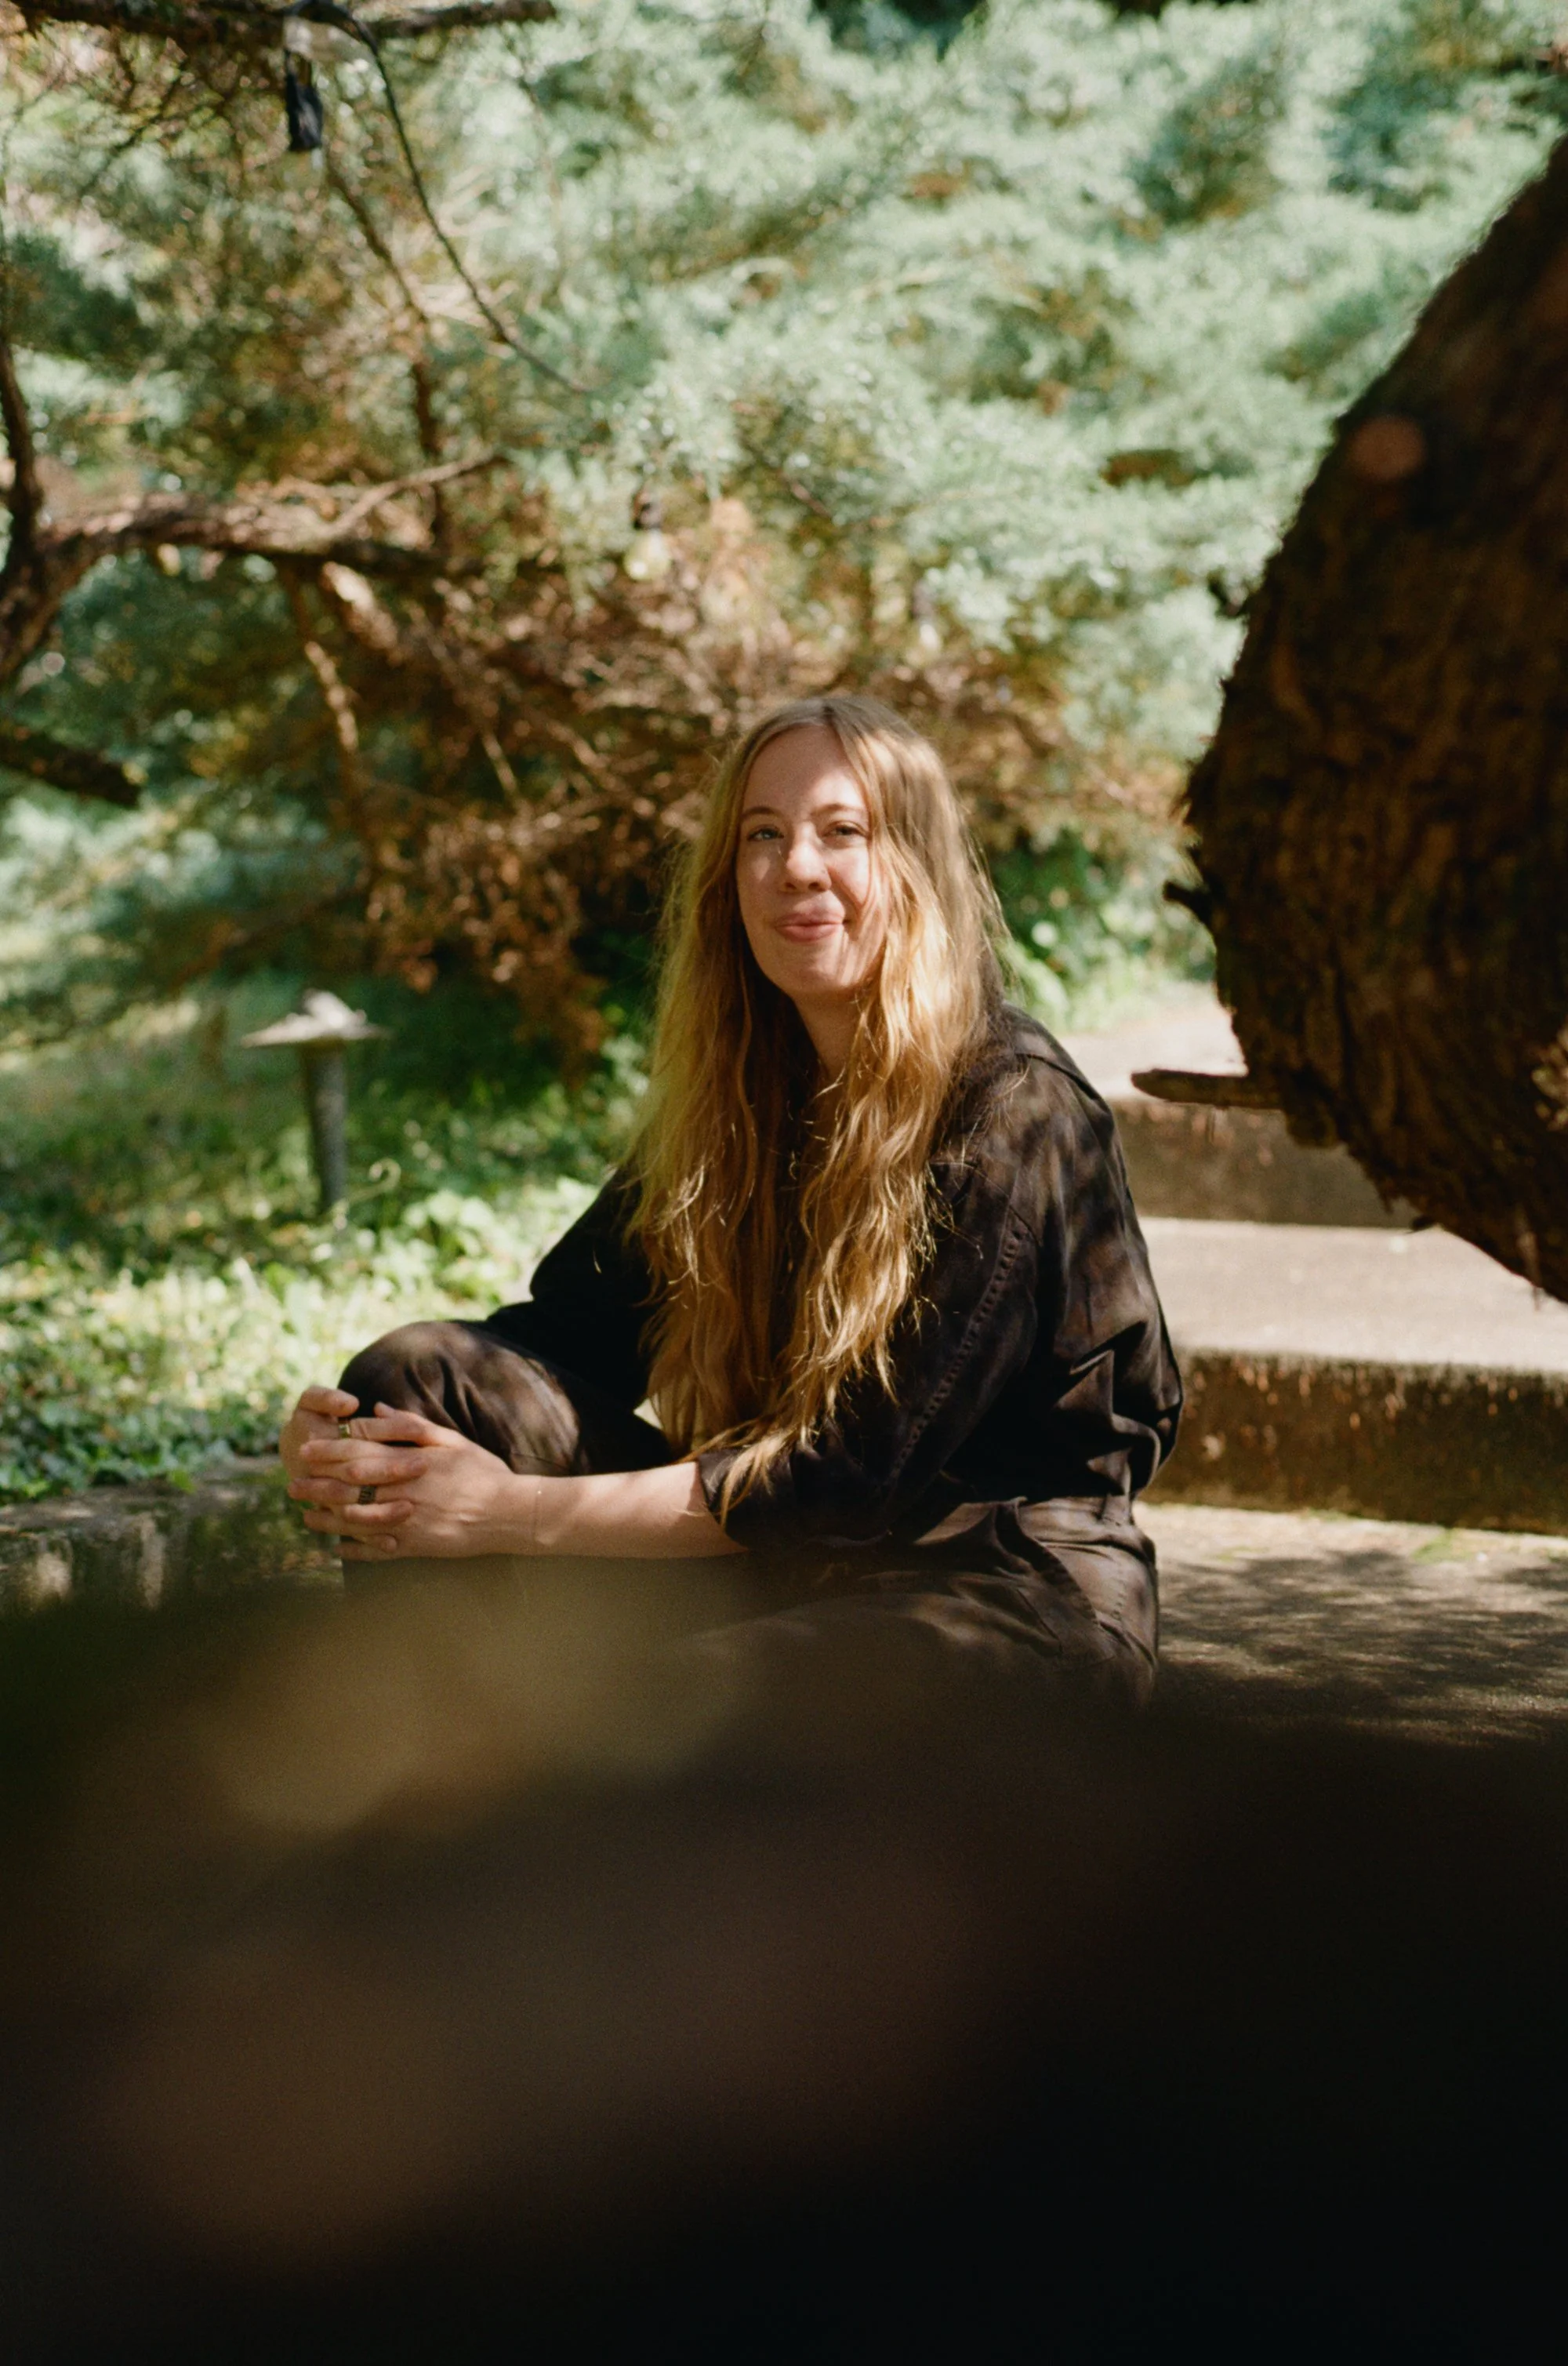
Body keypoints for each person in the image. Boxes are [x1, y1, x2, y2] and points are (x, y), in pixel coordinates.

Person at [280, 696, 1181, 1703]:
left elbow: (847, 1476)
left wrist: (509, 1513)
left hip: (1000, 1588)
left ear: (917, 867)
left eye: (844, 831)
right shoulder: (740, 1098)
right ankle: (419, 1795)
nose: (796, 865)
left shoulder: (1011, 1111)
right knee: (417, 1381)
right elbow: (564, 1337)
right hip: (785, 1566)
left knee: (682, 1707)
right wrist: (349, 1437)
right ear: (728, 879)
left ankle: (524, 1810)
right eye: (763, 834)